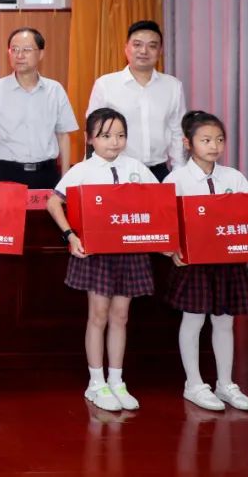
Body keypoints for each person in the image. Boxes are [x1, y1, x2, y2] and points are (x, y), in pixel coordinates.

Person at [47, 108, 159, 412]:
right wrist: (70, 235)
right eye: (106, 135)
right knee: (98, 314)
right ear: (89, 138)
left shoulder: (136, 167)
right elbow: (53, 202)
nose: (114, 142)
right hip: (96, 254)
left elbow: (158, 202)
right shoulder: (82, 170)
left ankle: (117, 380)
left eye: (121, 135)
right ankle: (96, 382)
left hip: (130, 252)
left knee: (120, 316)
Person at [164, 111, 248, 412]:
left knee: (225, 321)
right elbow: (163, 223)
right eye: (205, 140)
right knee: (193, 320)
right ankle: (193, 384)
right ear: (187, 143)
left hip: (227, 263)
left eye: (219, 139)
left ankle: (225, 384)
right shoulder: (176, 179)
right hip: (194, 264)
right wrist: (171, 251)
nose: (214, 146)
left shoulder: (233, 177)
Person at [0, 27, 78, 188]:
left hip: (47, 173)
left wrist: (65, 179)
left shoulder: (55, 90)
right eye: (14, 49)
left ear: (41, 53)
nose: (19, 55)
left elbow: (63, 136)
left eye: (27, 50)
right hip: (6, 173)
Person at [87, 20, 186, 182]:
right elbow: (93, 130)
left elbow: (177, 132)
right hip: (116, 170)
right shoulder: (105, 84)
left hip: (159, 172)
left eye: (152, 46)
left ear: (160, 51)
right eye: (137, 45)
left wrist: (179, 172)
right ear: (126, 47)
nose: (144, 51)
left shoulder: (173, 86)